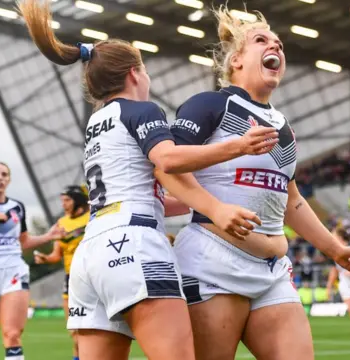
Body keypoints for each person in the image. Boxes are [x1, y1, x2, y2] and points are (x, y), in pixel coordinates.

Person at [19, 0, 282, 358]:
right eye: (145, 70)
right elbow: (169, 159)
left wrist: (213, 200)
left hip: (91, 252)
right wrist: (239, 147)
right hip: (134, 243)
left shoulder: (96, 124)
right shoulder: (140, 110)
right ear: (134, 74)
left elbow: (146, 189)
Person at [162, 6, 350, 360]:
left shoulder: (281, 124)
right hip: (212, 262)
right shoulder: (210, 105)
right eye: (261, 41)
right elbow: (166, 164)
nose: (275, 47)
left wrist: (335, 249)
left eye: (279, 44)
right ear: (236, 61)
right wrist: (215, 208)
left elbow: (290, 198)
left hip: (274, 270)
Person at [0, 161, 65, 360]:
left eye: (4, 174)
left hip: (14, 272)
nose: (0, 178)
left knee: (12, 335)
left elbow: (24, 241)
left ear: (9, 180)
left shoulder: (17, 207)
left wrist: (48, 236)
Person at [33, 185, 91, 360]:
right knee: (75, 331)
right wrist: (45, 258)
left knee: (95, 331)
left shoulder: (93, 218)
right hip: (71, 279)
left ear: (78, 200)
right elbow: (56, 255)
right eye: (61, 201)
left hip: (93, 277)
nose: (63, 204)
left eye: (67, 200)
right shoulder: (61, 224)